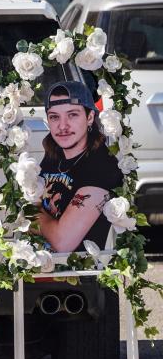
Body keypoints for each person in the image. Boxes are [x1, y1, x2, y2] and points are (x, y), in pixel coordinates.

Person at [37, 81, 122, 253]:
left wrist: (29, 208)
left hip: (78, 275)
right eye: (54, 117)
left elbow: (62, 243)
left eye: (72, 115)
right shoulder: (54, 156)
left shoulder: (100, 166)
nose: (62, 126)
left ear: (90, 117)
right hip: (39, 270)